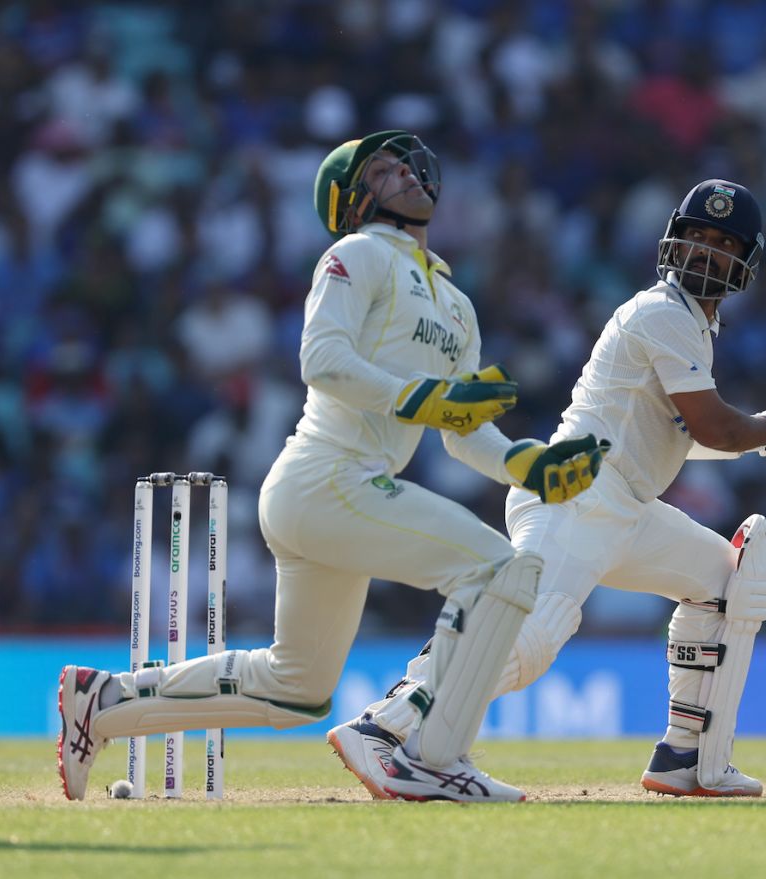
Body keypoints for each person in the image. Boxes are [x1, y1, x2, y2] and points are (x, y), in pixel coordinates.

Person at [57, 130, 609, 803]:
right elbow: (322, 360)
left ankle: (102, 700)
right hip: (326, 474)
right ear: (352, 200)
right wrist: (429, 398)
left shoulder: (457, 307)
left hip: (340, 493)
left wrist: (534, 464)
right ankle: (426, 751)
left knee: (297, 687)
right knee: (500, 568)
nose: (404, 173)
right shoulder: (355, 254)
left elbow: (464, 435)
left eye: (405, 163)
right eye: (381, 170)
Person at [327, 179, 766, 798]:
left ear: (745, 262)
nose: (706, 251)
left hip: (621, 507)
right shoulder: (661, 313)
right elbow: (714, 426)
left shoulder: (690, 329)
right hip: (578, 493)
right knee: (529, 638)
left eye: (723, 242)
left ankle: (685, 754)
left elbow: (686, 435)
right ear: (672, 242)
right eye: (697, 236)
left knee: (729, 582)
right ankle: (385, 726)